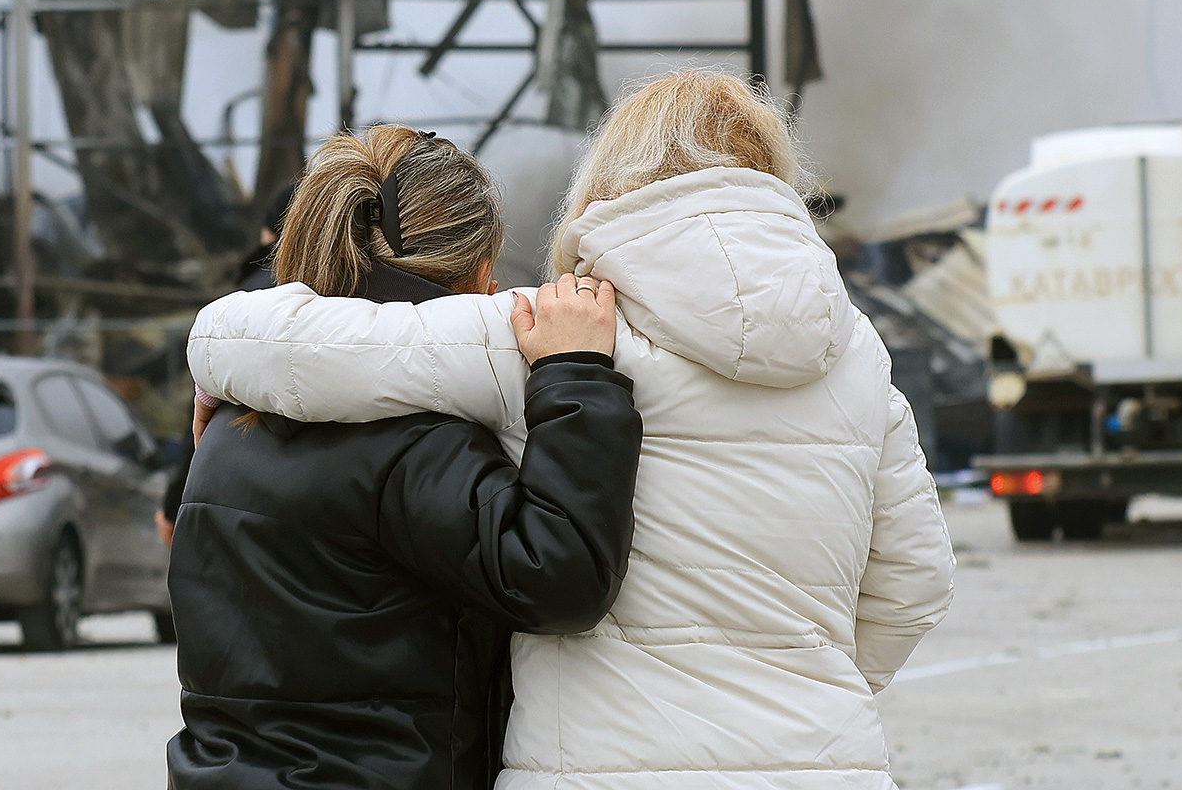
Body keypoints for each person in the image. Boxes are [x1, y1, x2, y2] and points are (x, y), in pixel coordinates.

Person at [192, 71, 956, 790]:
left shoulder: (565, 327)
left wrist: (217, 360)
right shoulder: (857, 351)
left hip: (601, 768)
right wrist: (802, 683)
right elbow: (917, 582)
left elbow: (322, 348)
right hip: (823, 765)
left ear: (614, 179)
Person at [169, 126, 645, 790]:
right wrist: (578, 376)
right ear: (477, 274)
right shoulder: (416, 441)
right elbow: (559, 579)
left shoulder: (228, 417)